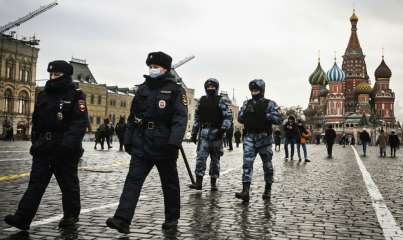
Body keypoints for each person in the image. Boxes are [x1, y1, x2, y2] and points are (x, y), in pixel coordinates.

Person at [106, 51, 187, 233]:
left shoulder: (175, 90)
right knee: (132, 180)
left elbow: (180, 118)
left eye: (155, 67)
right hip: (142, 143)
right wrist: (128, 139)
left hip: (164, 144)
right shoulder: (143, 89)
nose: (152, 70)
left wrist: (174, 142)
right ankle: (122, 219)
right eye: (150, 67)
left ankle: (172, 219)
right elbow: (133, 116)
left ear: (165, 68)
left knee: (170, 184)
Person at [4, 60, 88, 230]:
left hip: (65, 148)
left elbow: (79, 123)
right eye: (51, 74)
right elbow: (36, 120)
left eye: (57, 74)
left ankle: (70, 216)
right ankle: (22, 218)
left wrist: (68, 145)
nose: (52, 77)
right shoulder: (44, 94)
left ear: (66, 75)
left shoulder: (76, 95)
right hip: (43, 147)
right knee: (36, 184)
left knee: (68, 184)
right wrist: (36, 141)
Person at [235, 79, 282, 202]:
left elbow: (279, 118)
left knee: (267, 165)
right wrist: (244, 113)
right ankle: (245, 191)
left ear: (262, 90)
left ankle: (268, 188)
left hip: (264, 138)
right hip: (250, 137)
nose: (254, 92)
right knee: (247, 164)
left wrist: (265, 115)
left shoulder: (270, 104)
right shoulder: (247, 103)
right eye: (252, 90)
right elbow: (240, 118)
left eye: (256, 89)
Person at [189, 78, 232, 191]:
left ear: (216, 88)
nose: (210, 89)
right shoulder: (202, 100)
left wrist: (222, 130)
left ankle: (213, 182)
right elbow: (197, 118)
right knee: (200, 159)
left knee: (215, 160)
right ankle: (198, 183)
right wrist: (194, 133)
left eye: (213, 87)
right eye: (208, 87)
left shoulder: (221, 100)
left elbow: (228, 117)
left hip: (216, 133)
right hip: (204, 133)